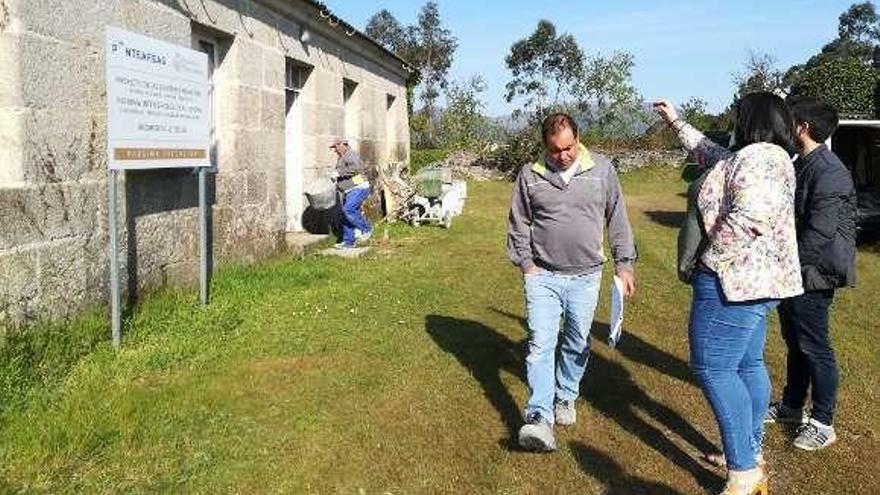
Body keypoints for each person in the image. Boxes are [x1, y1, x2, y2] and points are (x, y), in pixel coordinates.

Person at [655, 93, 803, 495]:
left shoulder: (759, 157)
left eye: (739, 115)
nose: (734, 121)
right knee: (746, 365)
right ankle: (747, 451)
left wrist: (710, 260)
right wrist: (675, 122)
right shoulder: (763, 157)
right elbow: (711, 153)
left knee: (713, 368)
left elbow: (749, 218)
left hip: (733, 283)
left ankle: (745, 473)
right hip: (758, 284)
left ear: (752, 119)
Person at [507, 112, 637, 452]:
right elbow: (518, 222)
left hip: (586, 276)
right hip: (543, 277)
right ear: (544, 147)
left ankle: (565, 396)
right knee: (540, 344)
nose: (563, 156)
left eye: (568, 147)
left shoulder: (603, 170)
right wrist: (526, 264)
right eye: (555, 150)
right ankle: (538, 416)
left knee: (577, 341)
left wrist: (624, 265)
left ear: (578, 137)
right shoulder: (529, 175)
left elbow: (617, 219)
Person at [764, 96, 857, 451]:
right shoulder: (801, 163)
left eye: (789, 122)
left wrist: (785, 266)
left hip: (813, 274)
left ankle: (823, 420)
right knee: (795, 343)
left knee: (814, 346)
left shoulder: (829, 171)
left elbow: (820, 233)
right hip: (795, 271)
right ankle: (791, 406)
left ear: (801, 127)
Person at [330, 138, 372, 249]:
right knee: (346, 215)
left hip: (359, 187)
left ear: (343, 145)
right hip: (350, 189)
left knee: (348, 210)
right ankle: (349, 242)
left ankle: (366, 228)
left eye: (336, 147)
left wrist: (338, 173)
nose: (335, 150)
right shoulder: (343, 157)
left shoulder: (350, 154)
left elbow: (357, 168)